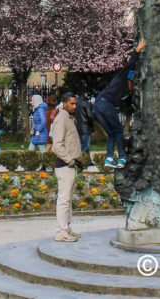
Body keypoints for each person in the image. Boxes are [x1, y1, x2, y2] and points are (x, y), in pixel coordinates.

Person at [95, 39, 147, 168]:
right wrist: (138, 50)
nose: (132, 88)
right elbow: (129, 65)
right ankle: (122, 158)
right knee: (118, 131)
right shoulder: (121, 79)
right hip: (104, 104)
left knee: (111, 133)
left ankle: (109, 159)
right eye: (132, 85)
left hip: (97, 106)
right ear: (129, 80)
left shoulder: (124, 93)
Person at [51, 92, 83, 242]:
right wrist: (69, 159)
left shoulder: (69, 118)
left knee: (68, 199)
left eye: (76, 103)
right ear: (64, 104)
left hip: (71, 164)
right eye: (72, 103)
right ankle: (61, 231)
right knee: (64, 199)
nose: (74, 106)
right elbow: (57, 145)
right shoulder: (61, 120)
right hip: (65, 165)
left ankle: (66, 228)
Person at [74, 90, 94, 156]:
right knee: (85, 144)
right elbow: (90, 116)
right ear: (85, 94)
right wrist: (92, 124)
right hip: (86, 126)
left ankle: (88, 159)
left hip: (78, 126)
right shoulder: (86, 103)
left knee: (84, 143)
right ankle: (77, 157)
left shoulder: (76, 103)